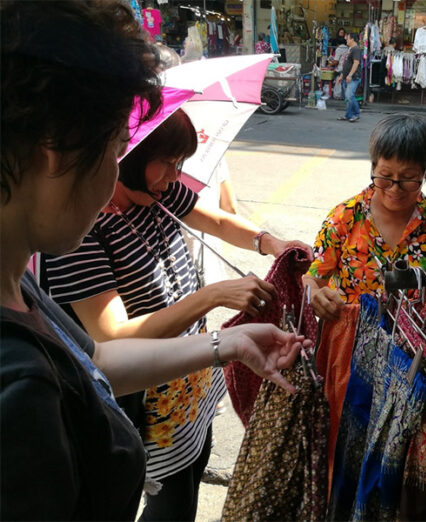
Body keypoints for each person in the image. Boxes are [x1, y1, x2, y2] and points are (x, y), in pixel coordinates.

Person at [0, 1, 308, 520]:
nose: (110, 185)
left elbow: (94, 362)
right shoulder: (18, 392)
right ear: (53, 151)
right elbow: (109, 340)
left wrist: (226, 342)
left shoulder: (19, 287)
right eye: (116, 149)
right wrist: (208, 301)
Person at [41, 108, 310, 520]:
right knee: (169, 499)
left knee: (193, 468)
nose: (174, 175)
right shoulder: (79, 229)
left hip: (191, 374)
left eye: (179, 164)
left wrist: (268, 242)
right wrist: (213, 296)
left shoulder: (158, 193)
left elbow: (217, 220)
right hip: (145, 389)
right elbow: (111, 334)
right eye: (166, 162)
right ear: (126, 154)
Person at [303, 114, 426, 321]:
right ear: (373, 167)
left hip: (414, 347)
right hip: (347, 342)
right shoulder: (345, 217)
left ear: (424, 173)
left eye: (408, 178)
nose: (395, 188)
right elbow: (312, 278)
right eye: (385, 176)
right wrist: (314, 294)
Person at [336, 32, 362, 123]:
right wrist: (342, 75)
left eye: (347, 38)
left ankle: (356, 114)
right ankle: (348, 115)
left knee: (349, 95)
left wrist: (350, 75)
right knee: (348, 97)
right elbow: (346, 64)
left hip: (353, 77)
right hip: (346, 76)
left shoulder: (356, 49)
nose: (346, 40)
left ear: (352, 39)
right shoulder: (350, 49)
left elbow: (356, 63)